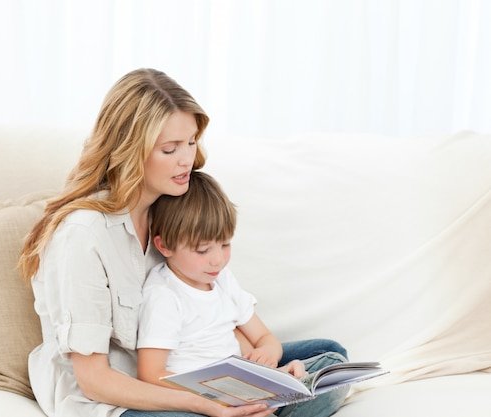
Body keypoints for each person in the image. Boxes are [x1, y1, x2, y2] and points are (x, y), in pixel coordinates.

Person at [18, 68, 347, 417]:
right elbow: (94, 381)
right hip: (117, 398)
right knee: (311, 381)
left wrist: (259, 374)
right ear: (129, 149)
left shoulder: (170, 206)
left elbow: (207, 316)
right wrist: (209, 404)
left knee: (329, 357)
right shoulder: (83, 236)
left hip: (187, 373)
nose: (186, 159)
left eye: (191, 142)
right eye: (170, 148)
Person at [138, 171, 349, 417]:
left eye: (225, 244)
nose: (217, 260)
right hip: (202, 400)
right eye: (202, 249)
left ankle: (273, 403)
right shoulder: (163, 294)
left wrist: (269, 358)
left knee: (333, 360)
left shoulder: (222, 279)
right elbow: (151, 374)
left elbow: (265, 337)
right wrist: (218, 400)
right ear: (164, 246)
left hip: (245, 385)